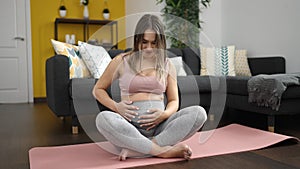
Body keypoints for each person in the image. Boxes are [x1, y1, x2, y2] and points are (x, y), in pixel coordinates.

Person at [93, 14, 207, 161]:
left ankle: (141, 150)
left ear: (161, 43)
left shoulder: (167, 65)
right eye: (144, 42)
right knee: (102, 119)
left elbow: (174, 101)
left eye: (154, 43)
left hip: (161, 128)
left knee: (199, 113)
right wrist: (116, 107)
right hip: (129, 129)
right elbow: (97, 89)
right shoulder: (121, 61)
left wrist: (164, 115)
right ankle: (162, 151)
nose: (148, 48)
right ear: (137, 40)